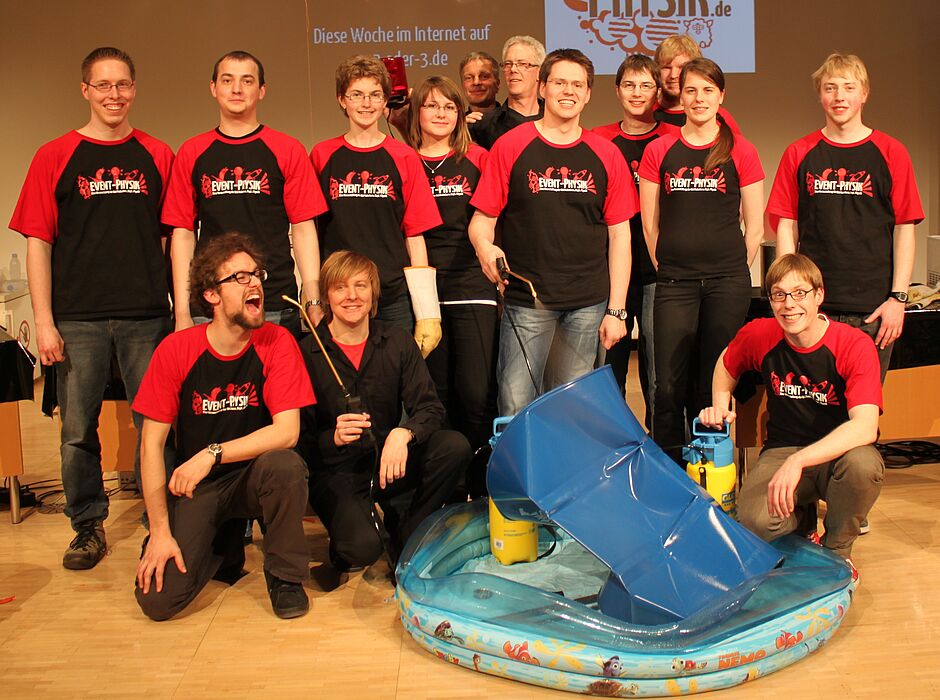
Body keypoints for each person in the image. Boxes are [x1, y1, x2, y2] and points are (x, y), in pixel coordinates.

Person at [9, 47, 173, 570]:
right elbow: (38, 242)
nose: (114, 95)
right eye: (103, 85)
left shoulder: (157, 154)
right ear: (85, 91)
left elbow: (175, 239)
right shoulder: (53, 155)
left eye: (122, 84)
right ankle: (87, 527)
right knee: (77, 430)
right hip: (77, 319)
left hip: (147, 315)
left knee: (158, 424)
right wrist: (44, 322)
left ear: (134, 88)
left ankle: (161, 521)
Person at [133, 233, 315, 621]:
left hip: (253, 475)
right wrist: (162, 531)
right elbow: (150, 446)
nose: (255, 284)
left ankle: (284, 576)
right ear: (211, 295)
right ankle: (222, 543)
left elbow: (287, 432)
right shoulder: (177, 350)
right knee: (159, 602)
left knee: (286, 465)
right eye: (240, 277)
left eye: (257, 274)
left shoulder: (277, 341)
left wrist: (212, 454)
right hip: (199, 488)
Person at [470, 49, 637, 417]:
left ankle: (562, 476)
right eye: (560, 82)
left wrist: (618, 310)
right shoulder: (511, 146)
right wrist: (484, 247)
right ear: (542, 87)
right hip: (526, 298)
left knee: (571, 408)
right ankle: (522, 476)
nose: (569, 91)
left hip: (587, 301)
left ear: (589, 93)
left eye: (578, 84)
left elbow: (620, 238)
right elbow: (481, 222)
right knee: (515, 404)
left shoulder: (606, 155)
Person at [698, 253, 884, 578]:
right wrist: (720, 402)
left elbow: (866, 427)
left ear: (819, 296)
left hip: (839, 455)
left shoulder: (854, 344)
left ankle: (837, 550)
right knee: (754, 523)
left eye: (799, 293)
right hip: (783, 448)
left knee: (864, 466)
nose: (789, 304)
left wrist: (799, 463)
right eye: (779, 295)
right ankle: (802, 527)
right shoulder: (761, 334)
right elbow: (727, 363)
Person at [297, 250, 468, 571]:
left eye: (360, 286)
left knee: (453, 446)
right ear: (327, 296)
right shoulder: (307, 352)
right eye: (340, 288)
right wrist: (331, 438)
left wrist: (404, 433)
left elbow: (430, 408)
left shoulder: (397, 341)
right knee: (360, 551)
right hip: (337, 473)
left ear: (374, 293)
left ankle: (406, 529)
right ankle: (356, 531)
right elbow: (298, 440)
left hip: (389, 465)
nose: (352, 296)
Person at [766, 52, 924, 380]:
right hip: (812, 306)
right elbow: (787, 225)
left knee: (862, 409)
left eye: (848, 87)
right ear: (820, 95)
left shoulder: (891, 152)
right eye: (830, 88)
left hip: (874, 308)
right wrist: (789, 293)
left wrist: (898, 298)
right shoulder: (799, 153)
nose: (839, 96)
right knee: (814, 404)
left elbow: (904, 228)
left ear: (864, 94)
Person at [638, 58, 764, 464]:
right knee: (667, 387)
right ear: (681, 96)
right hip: (675, 282)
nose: (698, 98)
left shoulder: (741, 150)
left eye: (708, 90)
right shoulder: (660, 149)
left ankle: (712, 468)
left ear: (721, 96)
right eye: (691, 90)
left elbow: (755, 226)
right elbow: (650, 224)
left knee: (715, 384)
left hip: (727, 282)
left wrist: (731, 269)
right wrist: (670, 265)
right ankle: (670, 472)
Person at [162, 50, 326, 337]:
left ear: (261, 90)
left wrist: (312, 299)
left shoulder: (287, 149)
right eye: (228, 80)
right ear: (214, 88)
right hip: (211, 305)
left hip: (273, 301)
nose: (237, 89)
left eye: (247, 81)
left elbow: (302, 230)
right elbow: (183, 234)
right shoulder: (192, 151)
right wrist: (183, 311)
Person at [311, 55, 443, 356]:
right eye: (357, 95)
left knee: (396, 390)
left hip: (392, 295)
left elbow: (415, 235)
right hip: (339, 295)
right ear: (342, 99)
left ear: (385, 102)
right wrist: (314, 296)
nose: (366, 103)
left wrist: (426, 311)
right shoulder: (322, 155)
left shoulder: (404, 157)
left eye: (375, 95)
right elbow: (311, 234)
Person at [404, 76, 494, 497]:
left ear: (460, 114)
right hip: (423, 292)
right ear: (416, 112)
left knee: (476, 394)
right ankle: (445, 489)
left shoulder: (480, 159)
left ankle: (479, 485)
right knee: (435, 395)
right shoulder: (403, 161)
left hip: (473, 287)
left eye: (449, 107)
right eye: (431, 106)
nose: (440, 114)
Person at [593, 53, 678, 426]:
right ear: (617, 90)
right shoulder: (598, 140)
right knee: (607, 367)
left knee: (659, 369)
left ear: (658, 92)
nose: (637, 93)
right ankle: (612, 443)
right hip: (610, 268)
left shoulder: (674, 140)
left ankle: (660, 446)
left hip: (660, 268)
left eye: (646, 85)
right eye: (629, 84)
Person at [468, 36, 545, 150]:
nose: (513, 69)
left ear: (540, 72)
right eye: (508, 64)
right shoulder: (482, 126)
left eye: (522, 64)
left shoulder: (555, 121)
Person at [653, 34, 740, 132]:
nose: (673, 75)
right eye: (666, 68)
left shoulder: (718, 116)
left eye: (681, 67)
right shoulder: (645, 114)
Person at [459, 51, 501, 115]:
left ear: (497, 84)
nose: (476, 82)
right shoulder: (455, 124)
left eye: (484, 76)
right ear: (462, 85)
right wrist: (461, 124)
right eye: (469, 78)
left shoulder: (514, 122)